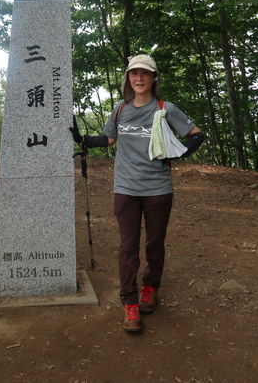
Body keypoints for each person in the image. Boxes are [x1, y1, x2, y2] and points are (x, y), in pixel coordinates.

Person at [71, 54, 205, 333]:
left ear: (153, 78)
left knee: (155, 243)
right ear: (128, 78)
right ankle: (129, 302)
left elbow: (196, 135)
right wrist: (81, 138)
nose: (139, 78)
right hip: (126, 189)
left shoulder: (165, 109)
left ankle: (150, 288)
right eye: (134, 73)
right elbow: (109, 139)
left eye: (145, 73)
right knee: (127, 247)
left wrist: (175, 154)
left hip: (158, 189)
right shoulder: (120, 109)